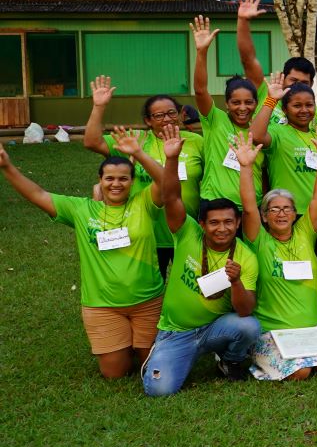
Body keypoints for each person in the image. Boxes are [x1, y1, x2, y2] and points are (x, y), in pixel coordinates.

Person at [2, 129, 169, 379]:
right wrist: (7, 167)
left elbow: (166, 183)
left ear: (132, 182)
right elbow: (38, 194)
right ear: (100, 180)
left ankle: (139, 343)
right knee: (115, 373)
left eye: (123, 179)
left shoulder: (144, 203)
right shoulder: (81, 210)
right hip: (103, 306)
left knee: (151, 368)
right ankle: (126, 344)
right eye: (109, 178)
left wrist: (139, 153)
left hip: (147, 302)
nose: (116, 184)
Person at [143, 128, 263, 396]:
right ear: (202, 224)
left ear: (238, 223)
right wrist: (171, 159)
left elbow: (245, 311)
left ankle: (229, 360)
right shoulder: (187, 233)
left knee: (249, 327)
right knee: (157, 390)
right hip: (177, 331)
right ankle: (165, 351)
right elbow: (172, 197)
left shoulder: (246, 256)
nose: (222, 228)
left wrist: (236, 282)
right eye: (215, 222)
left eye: (229, 222)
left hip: (213, 329)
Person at [235, 128, 317, 380]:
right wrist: (245, 167)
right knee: (301, 372)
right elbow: (249, 206)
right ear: (264, 217)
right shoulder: (258, 240)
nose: (281, 213)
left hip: (311, 329)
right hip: (274, 332)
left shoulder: (305, 233)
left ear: (295, 213)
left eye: (287, 208)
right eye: (274, 209)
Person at [80, 76, 204, 275]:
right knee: (148, 287)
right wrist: (98, 106)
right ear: (148, 120)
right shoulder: (135, 140)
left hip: (186, 229)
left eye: (171, 113)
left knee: (190, 286)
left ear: (181, 114)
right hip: (145, 231)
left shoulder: (196, 141)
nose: (166, 119)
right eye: (159, 115)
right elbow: (92, 142)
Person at [248, 77, 317, 310]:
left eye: (309, 105)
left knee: (315, 267)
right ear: (285, 109)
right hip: (286, 217)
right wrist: (269, 100)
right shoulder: (277, 133)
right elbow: (255, 135)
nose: (304, 110)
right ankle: (280, 311)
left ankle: (316, 316)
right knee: (281, 268)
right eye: (297, 105)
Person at [188, 15, 264, 210]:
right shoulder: (215, 120)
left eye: (248, 102)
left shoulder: (260, 129)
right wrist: (201, 52)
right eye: (236, 102)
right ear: (227, 104)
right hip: (215, 204)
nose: (242, 107)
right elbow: (200, 90)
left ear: (256, 104)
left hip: (249, 208)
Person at [231, 0, 317, 125]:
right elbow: (248, 60)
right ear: (283, 78)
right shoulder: (265, 93)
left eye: (304, 82)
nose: (297, 86)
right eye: (293, 80)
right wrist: (243, 21)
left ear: (311, 84)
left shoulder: (315, 114)